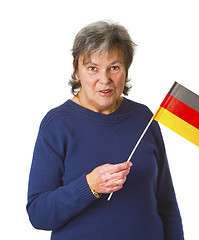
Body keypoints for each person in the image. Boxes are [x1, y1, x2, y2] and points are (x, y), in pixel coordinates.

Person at [26, 20, 184, 240]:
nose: (105, 79)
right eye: (93, 68)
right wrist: (89, 185)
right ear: (76, 70)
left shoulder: (144, 118)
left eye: (114, 68)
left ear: (126, 70)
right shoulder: (56, 125)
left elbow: (167, 205)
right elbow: (38, 214)